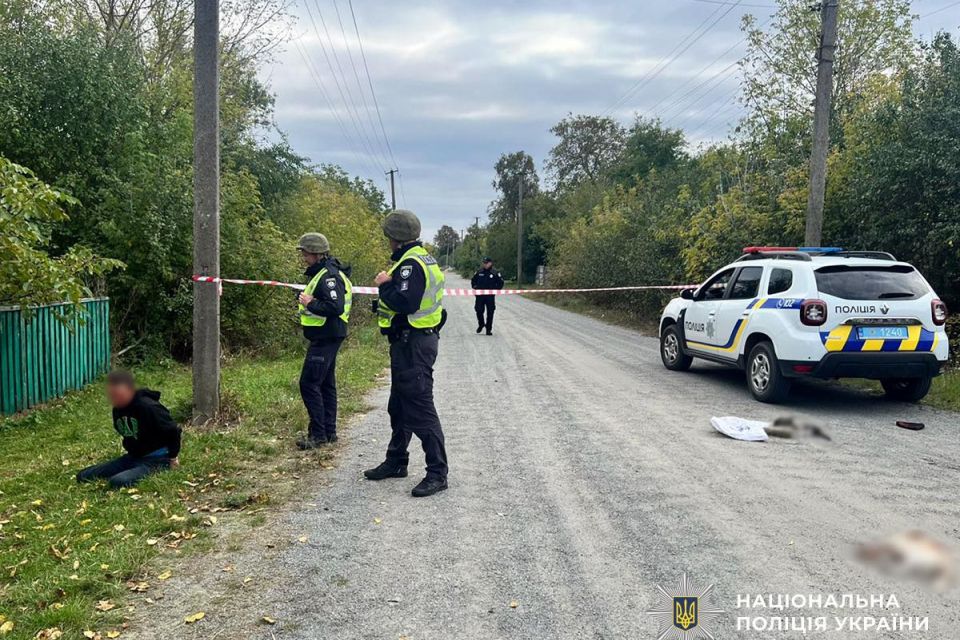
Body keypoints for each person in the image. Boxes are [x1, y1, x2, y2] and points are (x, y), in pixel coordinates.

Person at [364, 209, 449, 497]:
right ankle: (396, 460)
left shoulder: (410, 264)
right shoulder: (420, 258)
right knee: (399, 406)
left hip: (414, 344)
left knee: (421, 409)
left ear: (393, 237)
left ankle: (437, 473)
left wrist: (383, 287)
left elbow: (406, 302)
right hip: (408, 342)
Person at [295, 232, 353, 450]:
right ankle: (329, 432)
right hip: (326, 335)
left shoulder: (328, 275)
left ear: (316, 253)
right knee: (326, 384)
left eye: (305, 253)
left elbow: (335, 307)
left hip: (326, 336)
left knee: (309, 384)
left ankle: (318, 435)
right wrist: (307, 300)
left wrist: (310, 304)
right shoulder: (323, 273)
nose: (303, 257)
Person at [77, 370, 181, 488]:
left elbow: (173, 430)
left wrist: (173, 457)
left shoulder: (148, 406)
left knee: (117, 482)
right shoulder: (118, 408)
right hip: (133, 457)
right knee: (83, 476)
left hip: (156, 459)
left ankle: (160, 468)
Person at [470, 256, 504, 335]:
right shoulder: (479, 271)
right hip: (480, 296)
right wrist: (475, 287)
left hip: (490, 296)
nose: (485, 265)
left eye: (486, 263)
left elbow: (501, 283)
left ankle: (488, 329)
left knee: (490, 312)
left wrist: (496, 289)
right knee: (478, 310)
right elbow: (473, 280)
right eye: (484, 263)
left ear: (490, 263)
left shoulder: (495, 272)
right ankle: (481, 324)